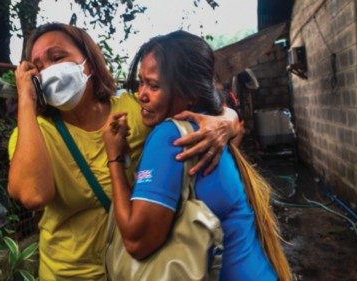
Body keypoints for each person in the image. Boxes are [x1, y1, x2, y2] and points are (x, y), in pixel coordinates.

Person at [8, 23, 240, 280]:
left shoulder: (133, 110)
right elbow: (33, 196)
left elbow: (196, 109)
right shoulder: (31, 133)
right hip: (67, 274)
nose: (49, 71)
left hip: (132, 269)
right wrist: (26, 101)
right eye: (38, 67)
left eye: (57, 57)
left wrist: (226, 120)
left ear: (89, 60)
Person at [102, 31, 291, 281]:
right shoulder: (211, 125)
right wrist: (229, 118)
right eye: (141, 82)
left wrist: (114, 159)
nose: (141, 94)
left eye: (154, 85)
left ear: (189, 93)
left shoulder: (171, 135)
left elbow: (137, 242)